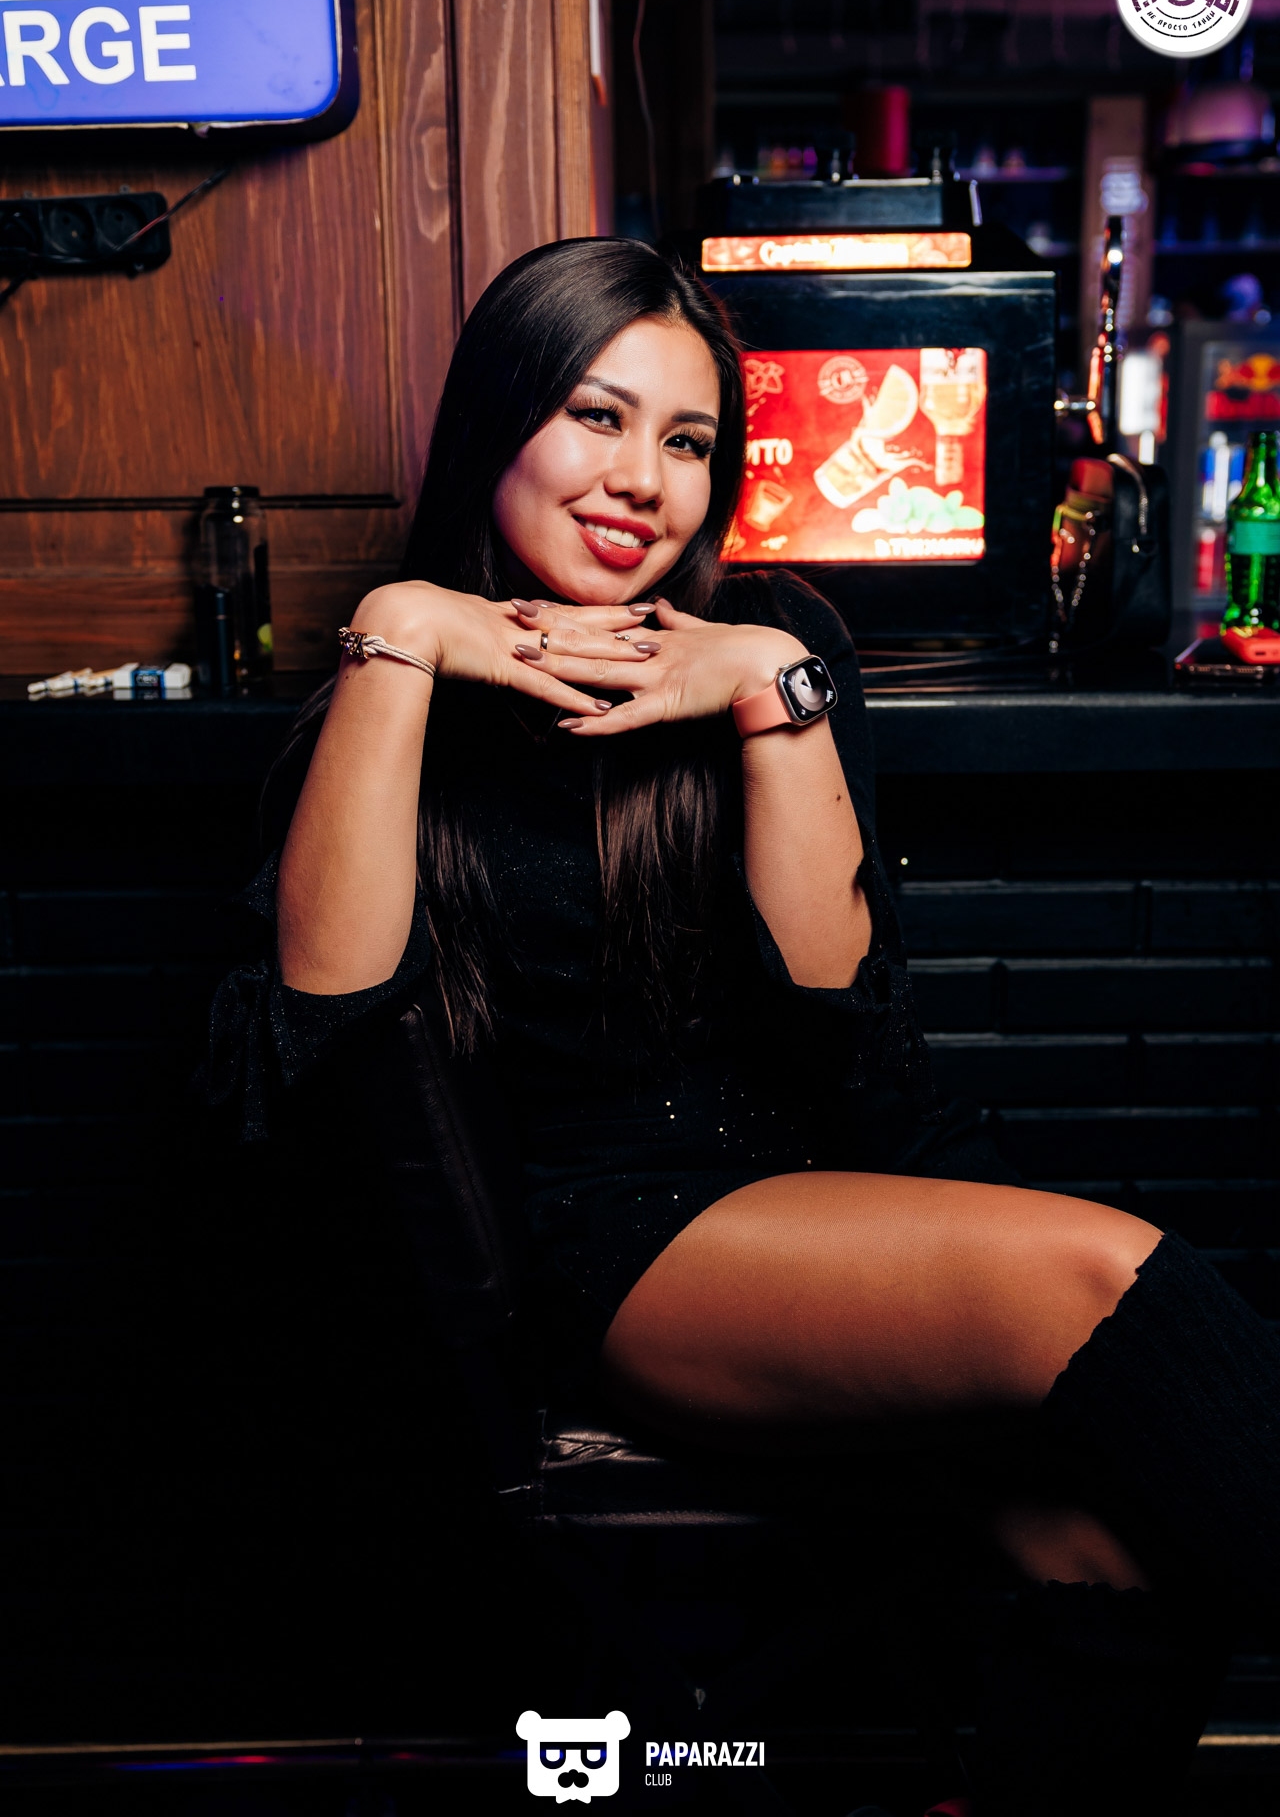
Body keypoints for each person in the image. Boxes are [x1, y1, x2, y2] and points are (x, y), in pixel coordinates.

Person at [204, 238, 1280, 1816]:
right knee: (1105, 1279)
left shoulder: (774, 640)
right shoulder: (397, 682)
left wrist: (772, 687)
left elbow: (838, 1009)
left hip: (814, 1193)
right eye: (596, 415)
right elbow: (327, 1005)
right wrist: (403, 635)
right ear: (497, 420)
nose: (642, 478)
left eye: (689, 439)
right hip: (607, 1247)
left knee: (1112, 1552)